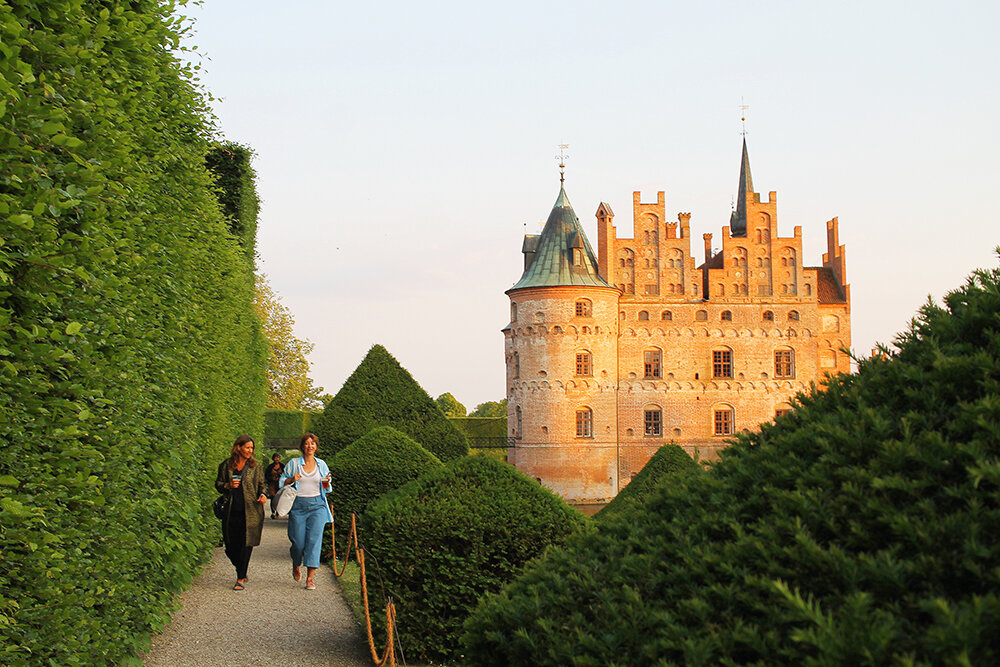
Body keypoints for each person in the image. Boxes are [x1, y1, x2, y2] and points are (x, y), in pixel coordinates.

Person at [279, 432, 333, 590]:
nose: (310, 446)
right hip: (298, 505)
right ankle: (296, 562)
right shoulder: (294, 463)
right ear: (302, 446)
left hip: (318, 506)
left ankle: (310, 578)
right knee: (298, 542)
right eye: (307, 443)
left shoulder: (321, 464)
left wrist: (326, 483)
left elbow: (328, 487)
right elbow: (282, 481)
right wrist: (291, 480)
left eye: (313, 443)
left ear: (316, 447)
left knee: (314, 541)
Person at [214, 435, 268, 591]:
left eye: (252, 448)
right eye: (247, 447)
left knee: (246, 543)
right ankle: (241, 568)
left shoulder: (255, 466)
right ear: (238, 448)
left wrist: (263, 495)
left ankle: (240, 577)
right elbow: (218, 484)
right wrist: (228, 485)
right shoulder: (226, 466)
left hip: (251, 510)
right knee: (230, 546)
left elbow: (261, 484)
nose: (250, 451)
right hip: (231, 510)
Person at [264, 453, 284, 518]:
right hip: (272, 484)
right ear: (273, 458)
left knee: (279, 498)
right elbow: (266, 475)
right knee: (273, 497)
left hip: (280, 484)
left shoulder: (282, 466)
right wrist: (271, 479)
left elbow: (286, 474)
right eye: (275, 458)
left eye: (278, 457)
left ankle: (278, 511)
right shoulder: (270, 467)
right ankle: (273, 512)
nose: (277, 459)